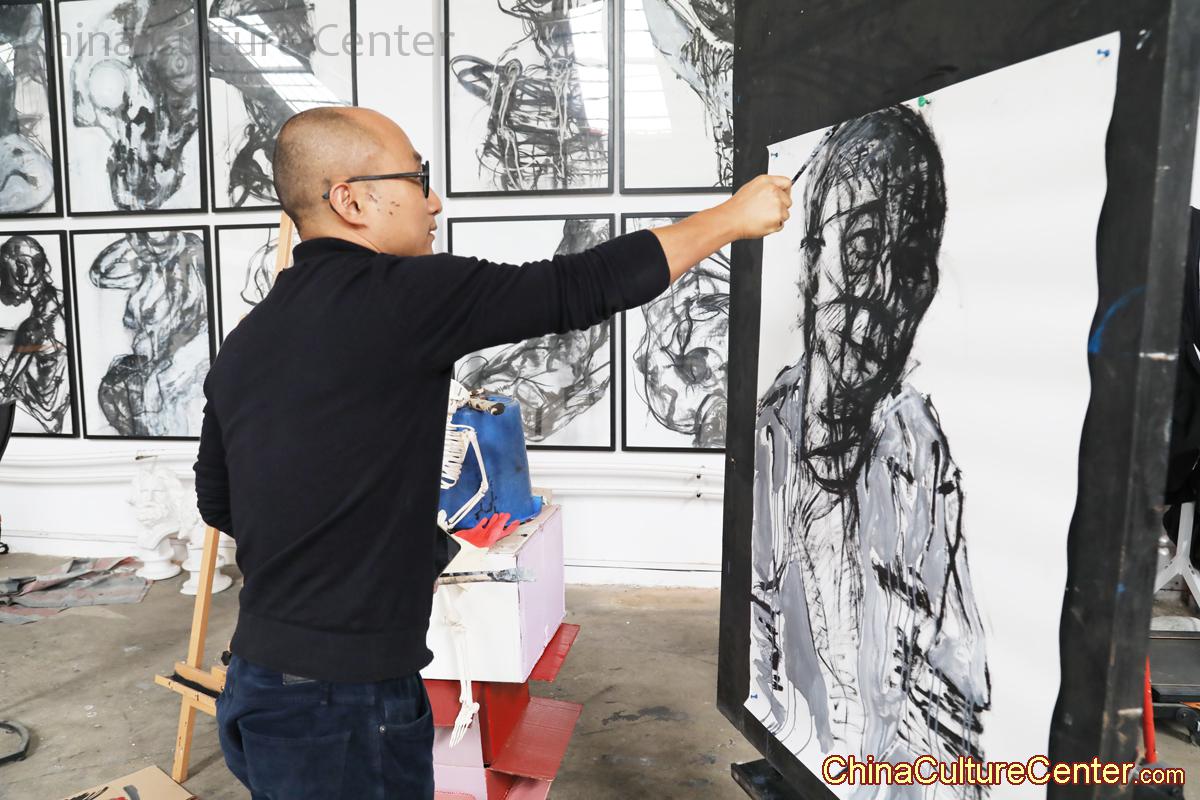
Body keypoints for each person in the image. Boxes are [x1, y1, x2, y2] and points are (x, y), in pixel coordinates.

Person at [194, 105, 790, 799]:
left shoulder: (248, 338)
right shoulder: (401, 297)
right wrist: (733, 218)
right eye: (417, 178)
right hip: (343, 703)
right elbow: (579, 287)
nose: (434, 201)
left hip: (258, 682)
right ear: (351, 200)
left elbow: (219, 500)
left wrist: (366, 546)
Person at [749, 106, 988, 799]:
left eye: (909, 264)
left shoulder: (917, 446)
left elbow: (954, 691)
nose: (882, 291)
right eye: (860, 246)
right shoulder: (772, 439)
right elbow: (758, 653)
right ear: (811, 263)